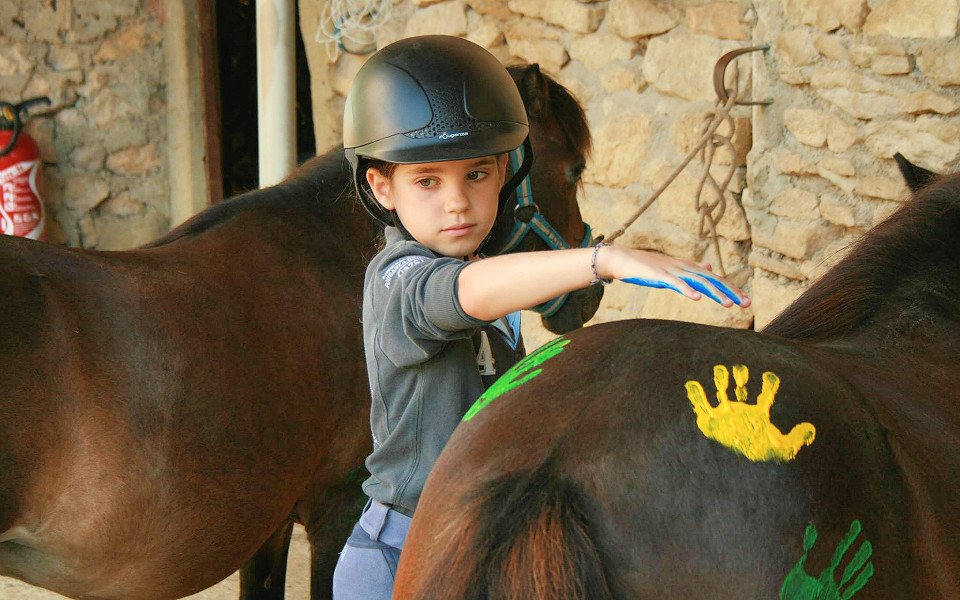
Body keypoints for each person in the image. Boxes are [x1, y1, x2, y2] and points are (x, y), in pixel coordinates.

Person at [332, 35, 750, 600]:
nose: (456, 201)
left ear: (504, 172)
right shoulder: (397, 279)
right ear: (382, 187)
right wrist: (605, 259)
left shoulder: (482, 264)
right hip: (402, 551)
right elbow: (465, 292)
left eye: (475, 175)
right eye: (427, 180)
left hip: (478, 534)